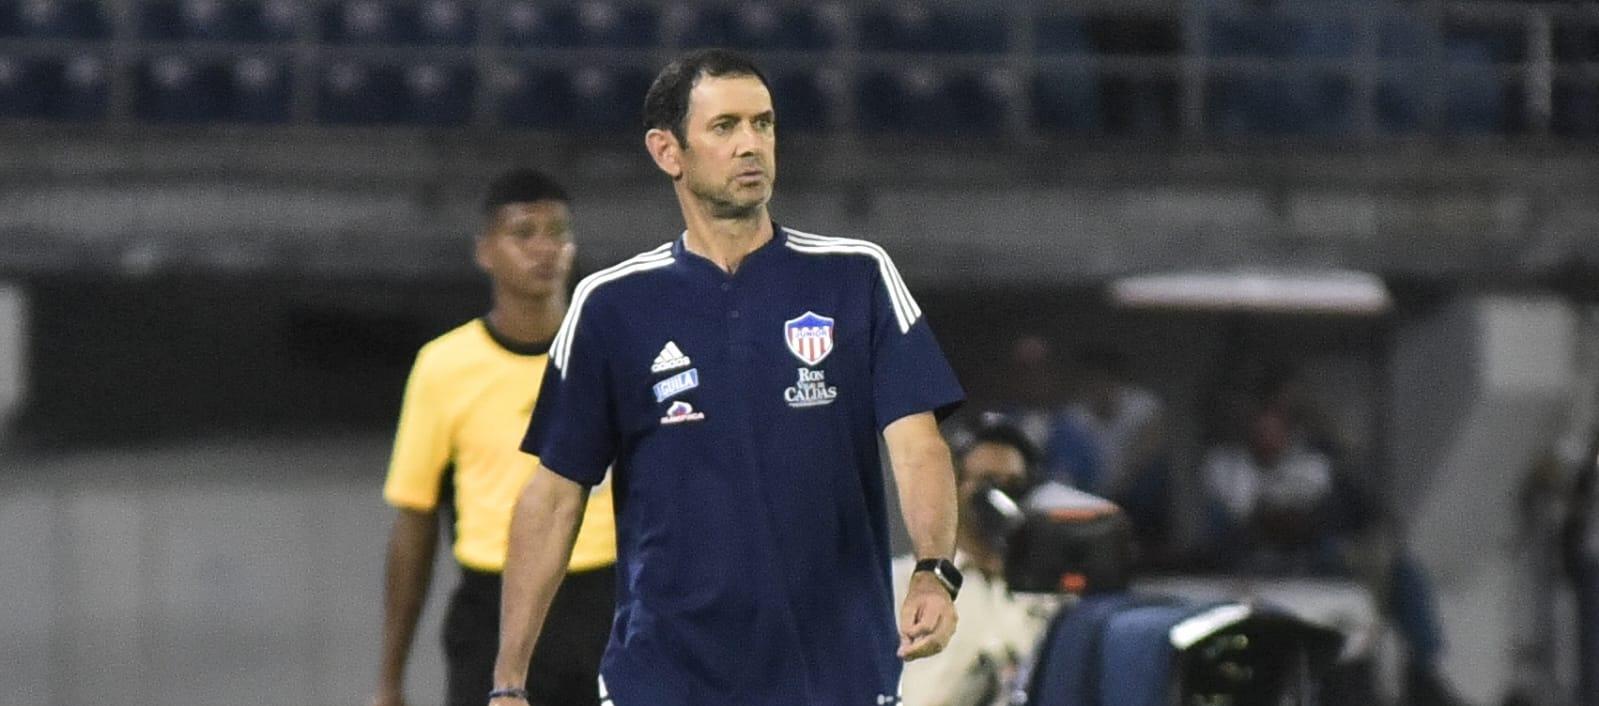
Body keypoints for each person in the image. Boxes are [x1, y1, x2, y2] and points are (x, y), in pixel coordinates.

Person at [488, 49, 966, 706]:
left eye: (763, 124)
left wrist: (933, 571)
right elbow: (552, 498)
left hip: (836, 675)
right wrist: (508, 683)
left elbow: (917, 447)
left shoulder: (857, 277)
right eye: (725, 127)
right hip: (663, 678)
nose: (752, 144)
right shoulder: (610, 306)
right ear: (667, 151)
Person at [373, 170, 617, 706]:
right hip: (492, 608)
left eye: (558, 231)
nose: (544, 249)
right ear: (486, 250)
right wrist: (390, 677)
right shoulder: (444, 366)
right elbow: (415, 521)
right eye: (524, 233)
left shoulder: (609, 353)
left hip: (607, 604)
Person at [892, 419, 1059, 706]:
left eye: (1014, 484)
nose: (1001, 495)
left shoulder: (1045, 589)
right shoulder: (903, 583)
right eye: (988, 483)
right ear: (954, 487)